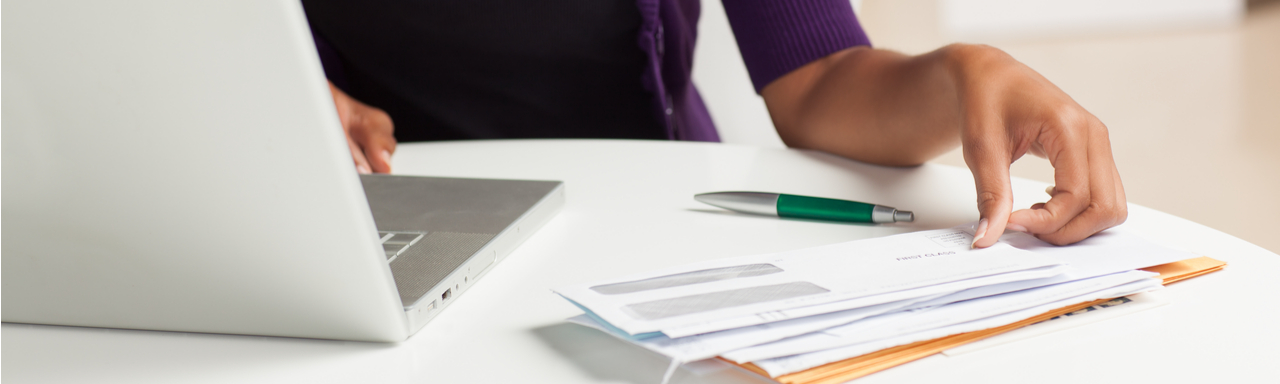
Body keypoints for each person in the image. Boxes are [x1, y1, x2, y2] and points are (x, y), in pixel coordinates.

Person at [302, 0, 1126, 249]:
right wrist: (293, 95)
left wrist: (963, 76)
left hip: (654, 220)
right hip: (367, 221)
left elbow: (821, 79)